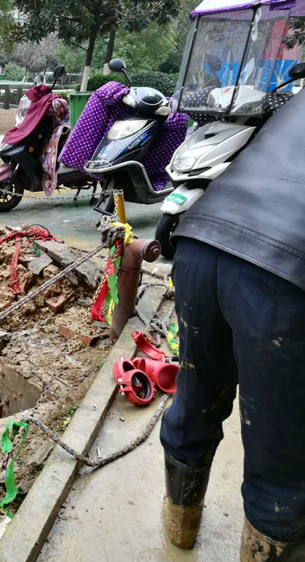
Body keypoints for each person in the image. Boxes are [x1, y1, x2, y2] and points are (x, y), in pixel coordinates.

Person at [160, 88, 305, 560]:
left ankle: (179, 530)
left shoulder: (294, 99)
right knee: (282, 452)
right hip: (284, 275)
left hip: (201, 242)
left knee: (196, 401)